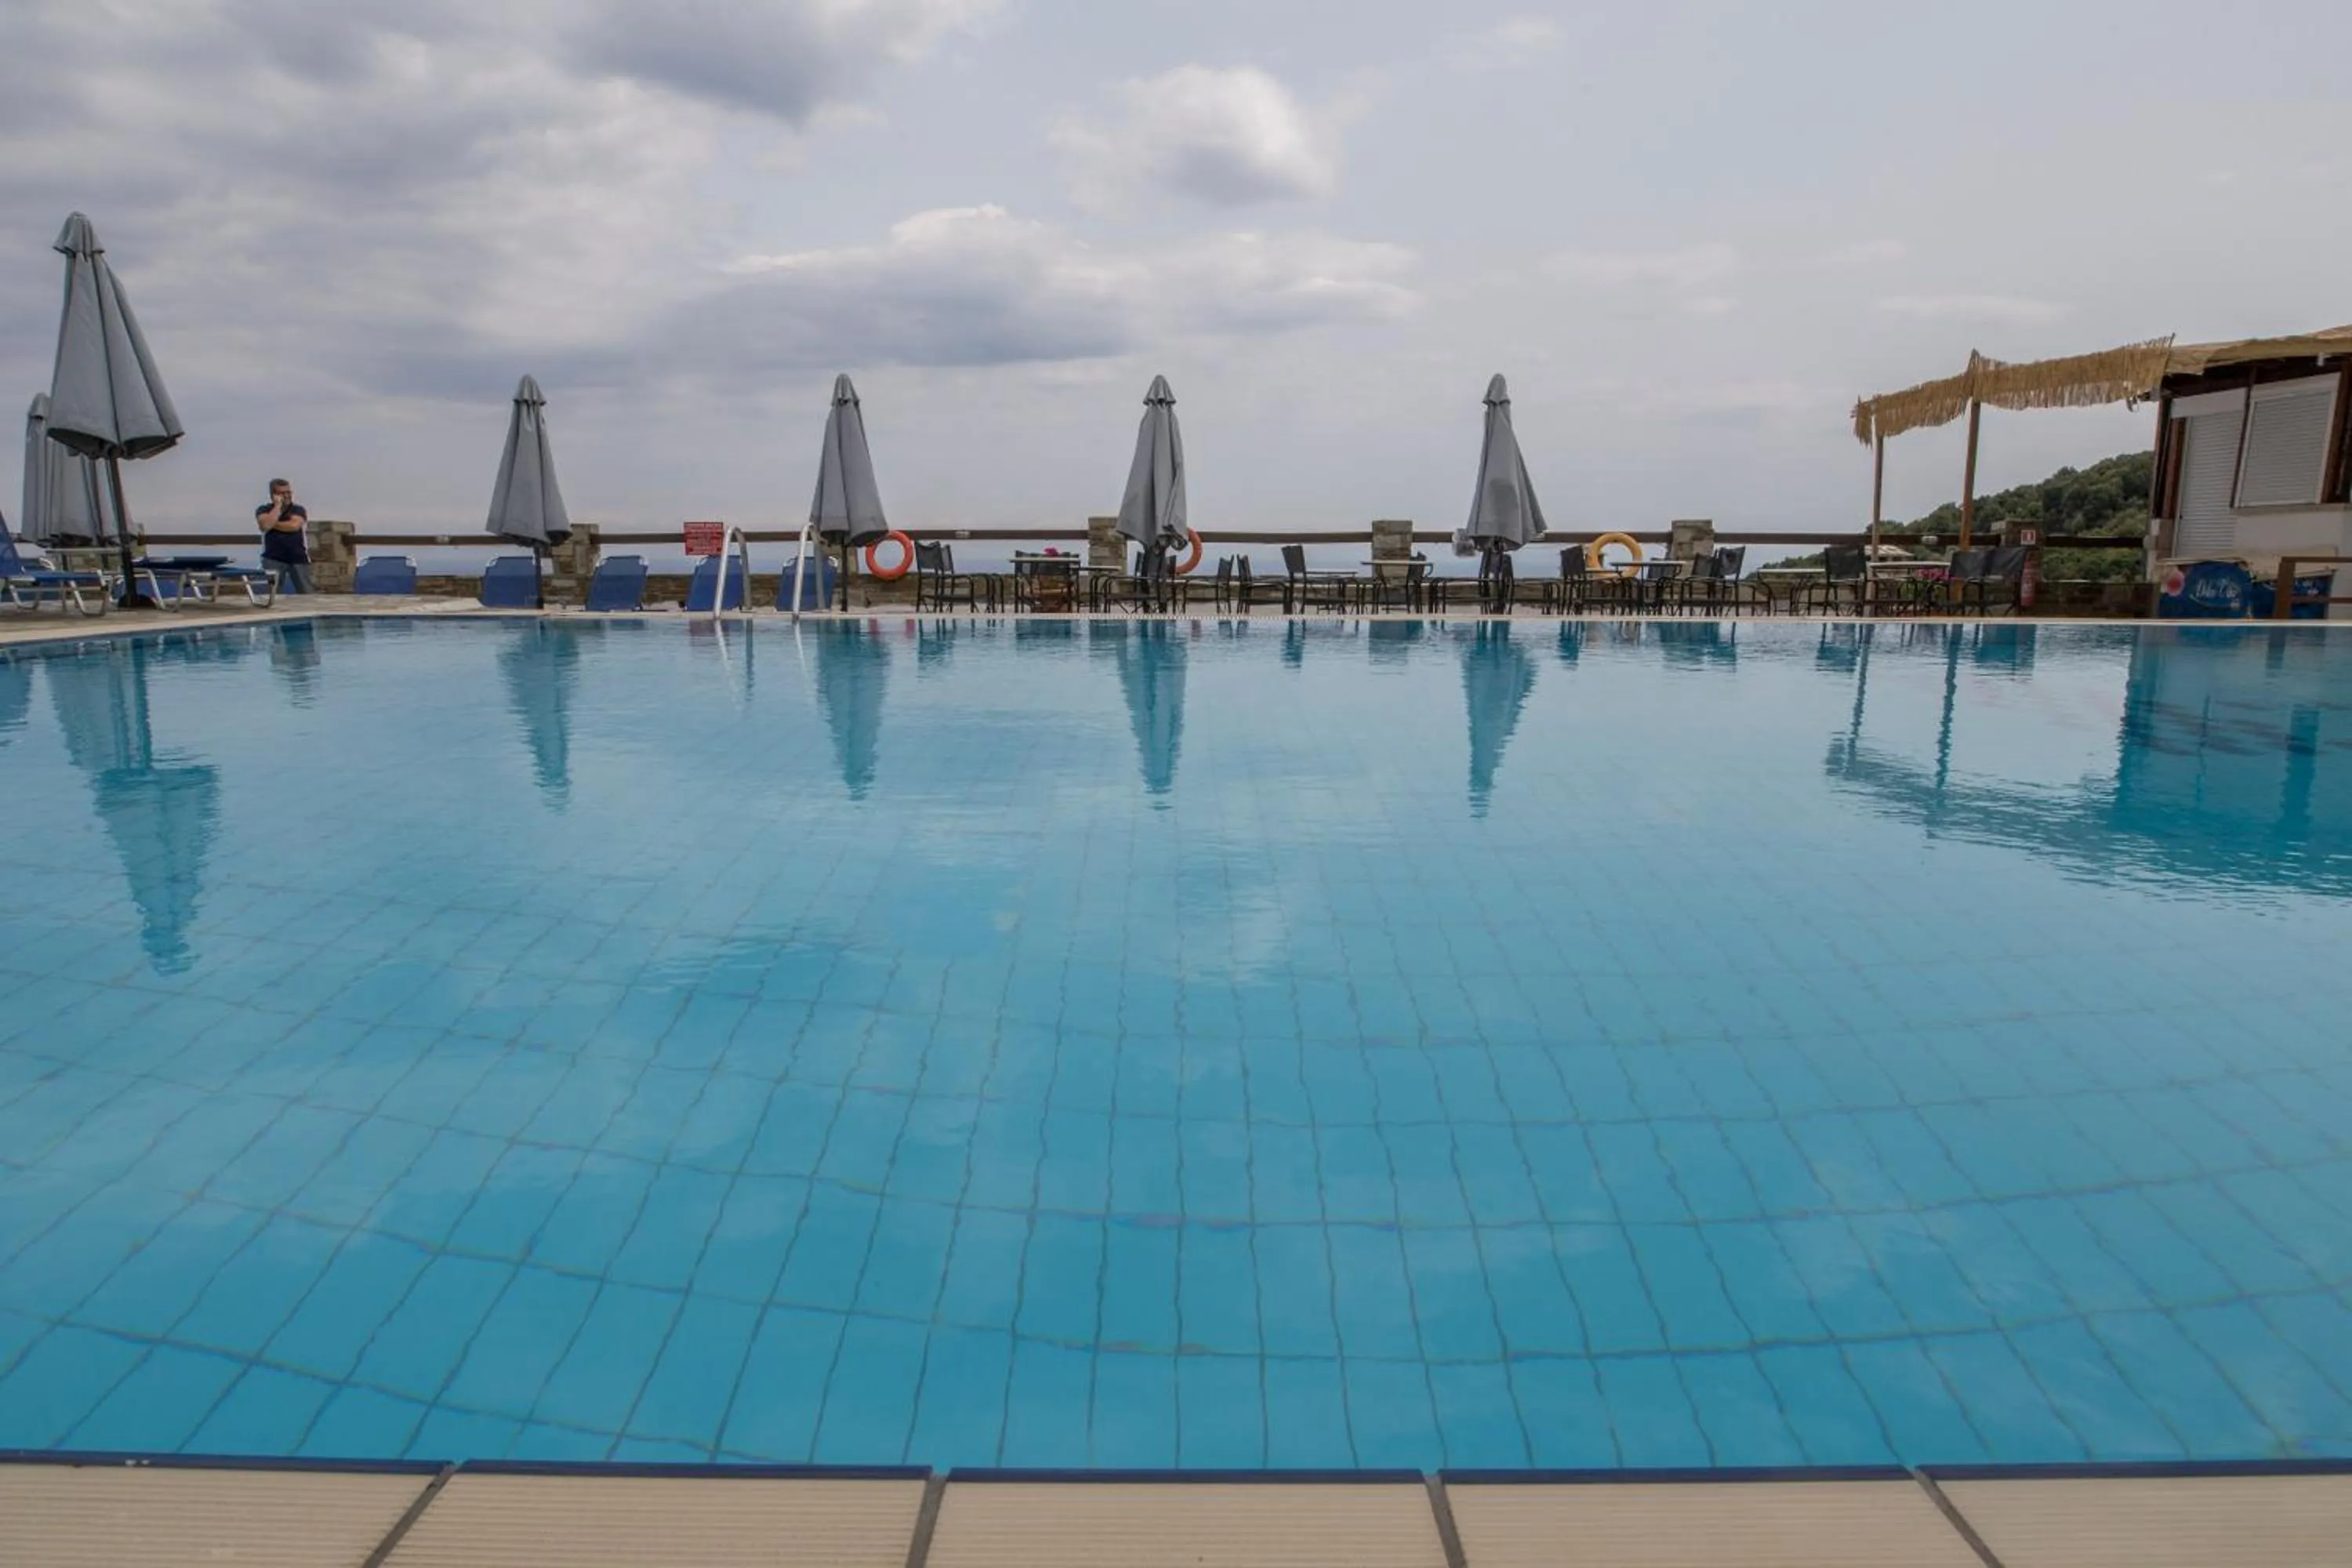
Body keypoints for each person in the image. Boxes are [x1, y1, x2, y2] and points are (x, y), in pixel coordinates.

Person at [256, 477, 311, 593]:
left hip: (298, 558)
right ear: (273, 495)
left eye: (289, 492)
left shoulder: (298, 509)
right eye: (282, 493)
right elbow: (265, 525)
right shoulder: (264, 509)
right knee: (273, 593)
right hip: (273, 558)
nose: (287, 496)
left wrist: (272, 523)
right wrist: (277, 507)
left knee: (307, 592)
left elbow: (294, 526)